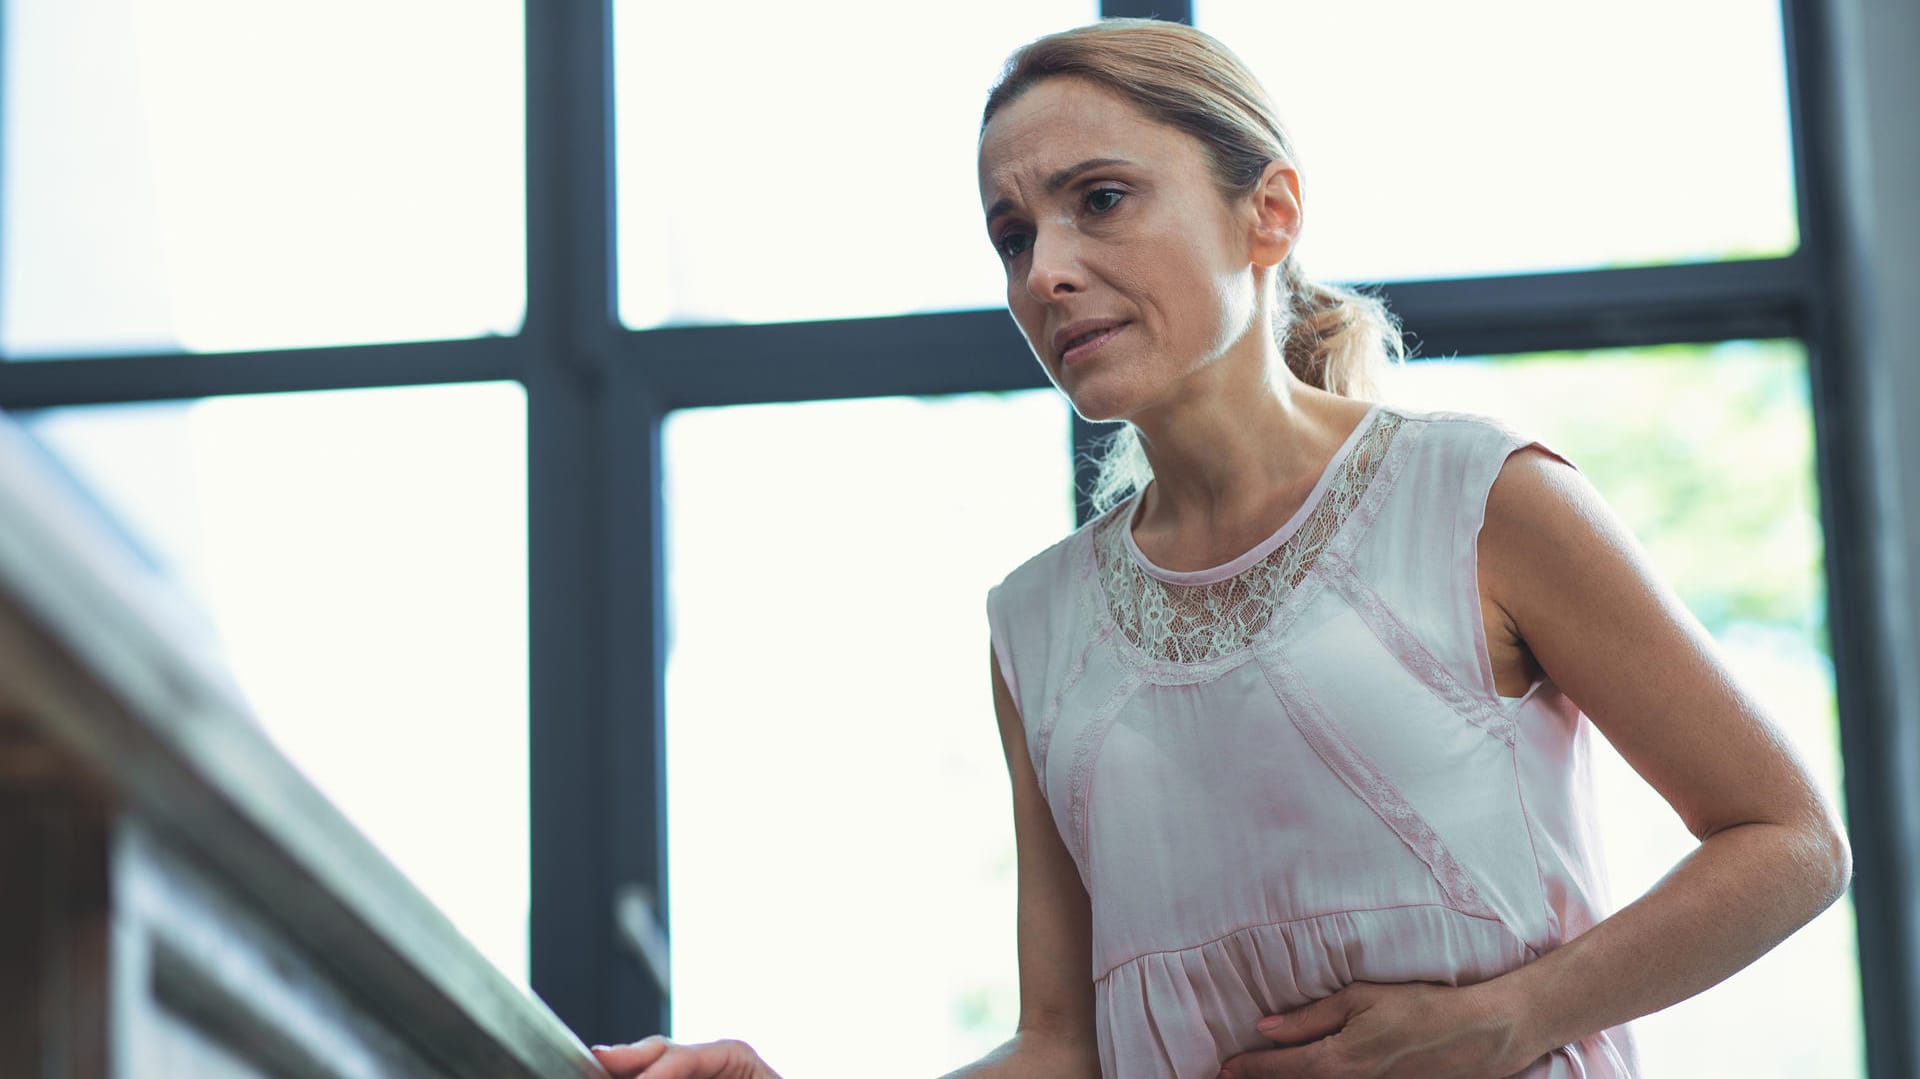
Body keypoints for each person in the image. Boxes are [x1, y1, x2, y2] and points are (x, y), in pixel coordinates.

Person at [593, 18, 1852, 1079]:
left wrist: (1503, 1016)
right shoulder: (1034, 624)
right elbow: (1063, 1045)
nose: (1048, 273)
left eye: (1100, 200)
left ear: (1270, 213)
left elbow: (1789, 839)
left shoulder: (1481, 493)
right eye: (1013, 236)